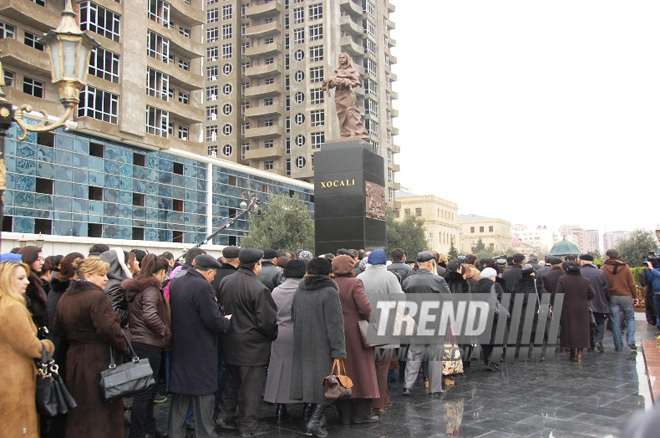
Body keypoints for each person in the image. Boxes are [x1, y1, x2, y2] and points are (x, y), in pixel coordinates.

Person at [53, 257, 130, 438]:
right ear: (87, 276)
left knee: (80, 411)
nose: (106, 279)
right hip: (98, 361)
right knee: (100, 412)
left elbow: (58, 329)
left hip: (75, 360)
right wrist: (125, 347)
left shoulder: (65, 297)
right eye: (102, 275)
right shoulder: (97, 297)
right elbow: (110, 330)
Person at [168, 255, 231, 438]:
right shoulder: (203, 286)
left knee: (180, 395)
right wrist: (226, 322)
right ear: (209, 271)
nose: (213, 279)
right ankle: (206, 433)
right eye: (213, 275)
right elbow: (213, 320)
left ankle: (175, 432)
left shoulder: (177, 282)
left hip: (181, 347)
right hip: (201, 349)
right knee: (204, 395)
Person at [217, 249, 278, 438]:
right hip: (252, 346)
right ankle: (248, 427)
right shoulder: (258, 288)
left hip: (230, 341)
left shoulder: (226, 281)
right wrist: (271, 335)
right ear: (256, 265)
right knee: (252, 389)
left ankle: (224, 416)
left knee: (232, 382)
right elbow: (267, 322)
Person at [290, 257, 346, 437]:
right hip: (323, 344)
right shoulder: (329, 292)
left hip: (302, 342)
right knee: (327, 384)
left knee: (309, 382)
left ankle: (315, 419)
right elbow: (335, 325)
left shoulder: (299, 290)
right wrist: (339, 350)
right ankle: (314, 422)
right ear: (328, 272)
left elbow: (293, 315)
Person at [0, 261, 55, 438]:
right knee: (19, 428)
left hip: (9, 376)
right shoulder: (12, 307)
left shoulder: (5, 303)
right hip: (16, 380)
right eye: (21, 278)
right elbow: (30, 346)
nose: (27, 282)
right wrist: (48, 345)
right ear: (8, 280)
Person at [122, 254, 172, 438]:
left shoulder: (137, 288)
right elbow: (150, 316)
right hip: (149, 344)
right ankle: (139, 432)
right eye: (164, 273)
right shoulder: (151, 290)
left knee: (145, 392)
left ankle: (149, 429)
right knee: (145, 393)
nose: (165, 277)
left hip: (140, 342)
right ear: (160, 272)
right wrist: (164, 331)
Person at [332, 255, 380, 425]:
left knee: (342, 372)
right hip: (356, 332)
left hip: (336, 333)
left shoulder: (330, 284)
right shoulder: (355, 283)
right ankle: (362, 415)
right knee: (363, 373)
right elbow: (365, 307)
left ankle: (344, 416)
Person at [357, 249, 404, 414]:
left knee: (370, 366)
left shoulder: (360, 277)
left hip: (364, 327)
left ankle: (384, 399)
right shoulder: (389, 277)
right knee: (382, 367)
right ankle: (377, 404)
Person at [401, 251, 451, 396]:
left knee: (414, 354)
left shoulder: (408, 281)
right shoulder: (438, 280)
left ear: (417, 264)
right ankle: (435, 388)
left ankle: (407, 386)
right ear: (430, 263)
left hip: (415, 322)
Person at [263, 260, 307, 421]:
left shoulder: (276, 291)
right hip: (300, 334)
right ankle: (304, 404)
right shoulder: (304, 290)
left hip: (279, 334)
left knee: (279, 370)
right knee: (301, 369)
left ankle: (280, 406)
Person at [322, 52, 368, 139]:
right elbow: (329, 85)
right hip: (339, 95)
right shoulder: (337, 72)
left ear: (347, 59)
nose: (341, 59)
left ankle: (353, 133)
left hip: (348, 94)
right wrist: (332, 82)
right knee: (341, 114)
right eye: (340, 58)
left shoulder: (352, 71)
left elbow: (355, 82)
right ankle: (344, 134)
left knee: (350, 113)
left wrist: (345, 81)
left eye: (343, 58)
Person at [558, 262, 596, 362]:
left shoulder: (563, 280)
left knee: (570, 329)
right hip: (582, 308)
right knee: (582, 330)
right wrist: (584, 299)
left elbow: (558, 294)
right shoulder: (585, 280)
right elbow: (592, 293)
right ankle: (580, 353)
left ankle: (572, 353)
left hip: (567, 307)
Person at [601, 249, 638, 351]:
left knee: (615, 321)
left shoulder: (604, 268)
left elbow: (603, 284)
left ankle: (618, 345)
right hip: (625, 296)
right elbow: (631, 283)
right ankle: (631, 340)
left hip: (612, 297)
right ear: (617, 256)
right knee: (630, 318)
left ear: (608, 257)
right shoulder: (625, 267)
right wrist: (635, 296)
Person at [472, 267, 505, 371]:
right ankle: (493, 362)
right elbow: (502, 298)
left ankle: (487, 360)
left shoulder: (476, 286)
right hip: (494, 315)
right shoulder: (495, 285)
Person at [579, 254, 610, 352]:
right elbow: (606, 289)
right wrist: (607, 301)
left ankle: (590, 344)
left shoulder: (579, 272)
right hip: (599, 302)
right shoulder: (600, 273)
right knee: (600, 322)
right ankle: (599, 340)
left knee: (587, 324)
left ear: (583, 262)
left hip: (584, 303)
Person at [99, 248, 133, 327]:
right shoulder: (116, 285)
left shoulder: (107, 282)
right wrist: (133, 313)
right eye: (126, 263)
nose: (128, 267)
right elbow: (114, 312)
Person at [18, 246, 48, 334]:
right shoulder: (28, 281)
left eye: (42, 259)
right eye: (38, 259)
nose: (42, 262)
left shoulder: (35, 279)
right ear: (29, 259)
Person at [645, 258, 660, 331]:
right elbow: (651, 278)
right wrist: (648, 270)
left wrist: (652, 269)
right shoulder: (654, 270)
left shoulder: (656, 270)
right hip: (656, 294)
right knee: (658, 311)